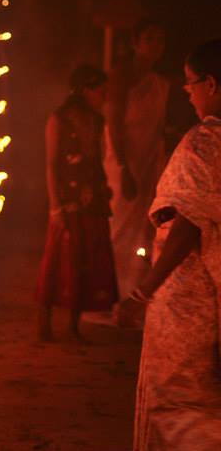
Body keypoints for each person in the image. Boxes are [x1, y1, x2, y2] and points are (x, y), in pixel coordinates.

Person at [120, 39, 221, 451]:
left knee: (181, 400)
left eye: (190, 83)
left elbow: (187, 225)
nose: (188, 92)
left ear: (211, 84)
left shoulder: (204, 144)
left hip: (189, 297)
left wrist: (147, 286)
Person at [36, 64, 118, 341]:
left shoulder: (97, 121)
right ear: (84, 90)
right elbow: (50, 165)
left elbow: (97, 158)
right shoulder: (58, 120)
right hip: (67, 198)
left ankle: (73, 324)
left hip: (92, 197)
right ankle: (43, 323)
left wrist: (104, 188)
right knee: (58, 258)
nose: (104, 94)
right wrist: (54, 206)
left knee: (87, 258)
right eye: (99, 89)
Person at [105, 20, 169, 298]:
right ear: (135, 43)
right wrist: (123, 166)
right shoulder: (121, 77)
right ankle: (109, 293)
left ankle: (133, 293)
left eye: (160, 40)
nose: (155, 46)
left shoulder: (159, 82)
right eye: (149, 39)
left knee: (144, 227)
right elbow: (114, 124)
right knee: (118, 223)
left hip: (149, 159)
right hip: (124, 160)